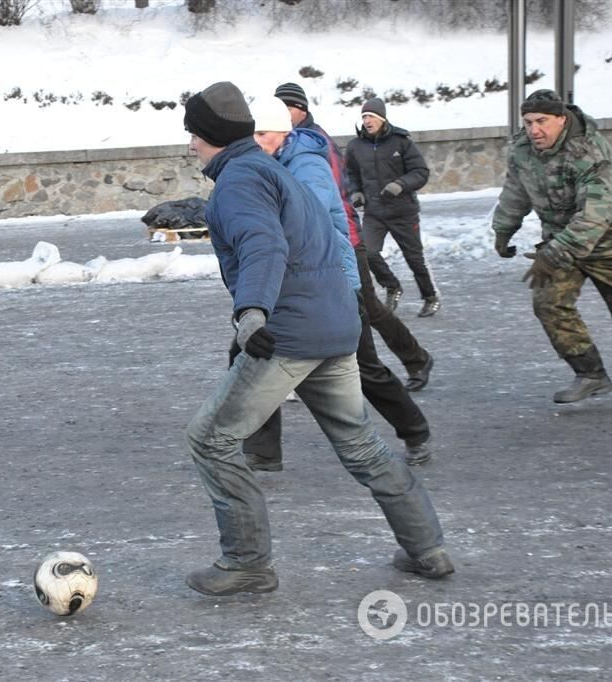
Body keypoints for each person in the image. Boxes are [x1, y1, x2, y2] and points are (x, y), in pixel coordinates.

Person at [181, 81, 453, 597]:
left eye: (193, 134)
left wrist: (252, 312)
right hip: (334, 326)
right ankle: (428, 548)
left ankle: (247, 563)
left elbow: (264, 245)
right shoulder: (271, 170)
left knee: (209, 438)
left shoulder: (240, 181)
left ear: (210, 136)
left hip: (290, 332)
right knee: (361, 443)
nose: (190, 144)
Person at [245, 96, 433, 467]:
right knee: (252, 353)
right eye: (252, 133)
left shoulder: (306, 165)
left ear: (282, 132)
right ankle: (263, 452)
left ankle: (416, 431)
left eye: (261, 133)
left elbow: (305, 223)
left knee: (362, 364)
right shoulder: (276, 159)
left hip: (333, 276)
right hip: (299, 275)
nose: (254, 141)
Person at [492, 89, 612, 404]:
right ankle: (590, 374)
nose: (534, 130)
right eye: (528, 122)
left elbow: (593, 218)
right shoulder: (523, 149)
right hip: (561, 240)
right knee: (548, 305)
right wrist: (503, 229)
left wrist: (552, 255)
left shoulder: (589, 152)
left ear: (561, 118)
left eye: (542, 121)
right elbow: (516, 189)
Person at [275, 82, 435, 390]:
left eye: (286, 108)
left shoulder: (314, 143)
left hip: (343, 239)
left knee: (364, 310)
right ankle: (411, 361)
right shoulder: (290, 143)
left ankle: (394, 372)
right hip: (340, 234)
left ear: (300, 110)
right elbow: (350, 179)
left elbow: (326, 193)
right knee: (366, 308)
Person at [345, 97, 440, 317]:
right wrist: (356, 192)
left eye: (371, 116)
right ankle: (392, 286)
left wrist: (400, 184)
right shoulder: (355, 146)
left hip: (403, 212)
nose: (367, 121)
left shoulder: (401, 141)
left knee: (414, 258)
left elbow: (421, 172)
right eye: (364, 116)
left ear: (382, 119)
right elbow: (350, 174)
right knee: (367, 252)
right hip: (374, 213)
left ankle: (430, 297)